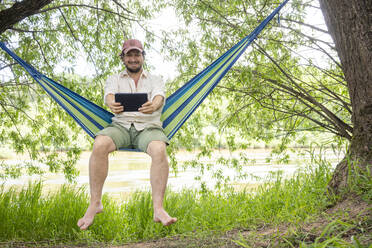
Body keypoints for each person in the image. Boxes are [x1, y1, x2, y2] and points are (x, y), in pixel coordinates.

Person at [77, 39, 177, 230]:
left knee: (159, 149)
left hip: (148, 128)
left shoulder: (156, 79)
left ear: (142, 57)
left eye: (136, 54)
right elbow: (109, 95)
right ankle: (95, 203)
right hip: (121, 127)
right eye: (129, 55)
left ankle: (158, 208)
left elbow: (158, 97)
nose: (133, 59)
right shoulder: (114, 79)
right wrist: (111, 103)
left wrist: (153, 105)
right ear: (123, 58)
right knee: (99, 144)